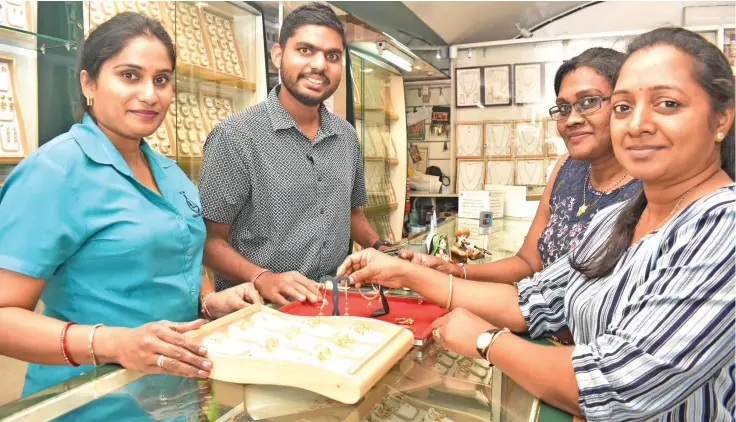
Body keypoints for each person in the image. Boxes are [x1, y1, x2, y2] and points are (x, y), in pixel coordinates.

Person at [338, 27, 734, 420]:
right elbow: (533, 300)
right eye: (624, 107)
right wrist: (405, 270)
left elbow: (618, 385)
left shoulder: (723, 227)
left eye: (667, 103)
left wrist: (486, 340)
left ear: (722, 117)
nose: (637, 124)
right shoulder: (619, 219)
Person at [0, 12, 260, 397]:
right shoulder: (54, 172)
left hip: (174, 393)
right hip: (90, 400)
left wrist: (208, 301)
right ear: (88, 83)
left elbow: (174, 259)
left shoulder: (169, 172)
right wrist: (114, 343)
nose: (150, 95)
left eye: (162, 80)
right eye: (129, 76)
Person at [199, 3, 389, 305]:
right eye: (305, 50)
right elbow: (208, 241)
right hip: (259, 313)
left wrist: (382, 248)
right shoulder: (235, 137)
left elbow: (352, 214)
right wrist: (262, 277)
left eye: (332, 56)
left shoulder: (346, 137)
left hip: (335, 303)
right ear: (278, 55)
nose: (319, 65)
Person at [402, 48, 641, 285]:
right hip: (538, 315)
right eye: (564, 108)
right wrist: (455, 271)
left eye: (588, 102)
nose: (572, 119)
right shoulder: (566, 169)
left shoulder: (647, 188)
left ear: (624, 105)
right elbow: (527, 263)